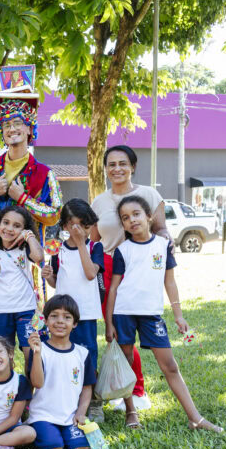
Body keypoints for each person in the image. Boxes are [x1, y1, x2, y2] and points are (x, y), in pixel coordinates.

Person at [105, 196, 223, 433]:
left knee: (169, 365)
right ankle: (131, 411)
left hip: (152, 315)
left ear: (149, 216)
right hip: (124, 314)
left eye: (136, 214)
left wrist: (178, 315)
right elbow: (114, 288)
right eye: (125, 218)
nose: (132, 220)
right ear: (123, 224)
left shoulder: (163, 246)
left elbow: (170, 282)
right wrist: (108, 322)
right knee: (127, 363)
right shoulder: (122, 250)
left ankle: (195, 418)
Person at [90, 145, 171, 413]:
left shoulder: (148, 194)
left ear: (133, 166)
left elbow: (161, 231)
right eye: (111, 164)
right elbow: (93, 241)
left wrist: (161, 258)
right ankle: (122, 388)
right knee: (115, 333)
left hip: (139, 266)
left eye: (123, 163)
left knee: (137, 328)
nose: (117, 169)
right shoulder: (99, 202)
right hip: (109, 269)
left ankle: (138, 392)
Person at [41, 199, 106, 422]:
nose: (79, 231)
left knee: (88, 357)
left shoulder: (94, 247)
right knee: (63, 356)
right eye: (74, 226)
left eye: (84, 226)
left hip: (85, 314)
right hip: (62, 314)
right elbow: (57, 281)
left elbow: (90, 273)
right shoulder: (57, 250)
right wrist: (49, 276)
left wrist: (80, 244)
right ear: (65, 226)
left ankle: (94, 402)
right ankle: (67, 398)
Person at [0, 99, 62, 235]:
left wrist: (23, 199)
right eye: (6, 125)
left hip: (27, 252)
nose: (12, 129)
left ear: (30, 129)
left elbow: (55, 214)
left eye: (17, 123)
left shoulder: (44, 174)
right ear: (2, 131)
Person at [26, 295, 95, 449]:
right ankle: (42, 432)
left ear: (75, 323)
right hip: (43, 416)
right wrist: (36, 353)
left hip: (70, 417)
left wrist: (81, 412)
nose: (60, 321)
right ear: (46, 321)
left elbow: (86, 387)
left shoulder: (82, 353)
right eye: (54, 316)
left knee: (81, 448)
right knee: (53, 447)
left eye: (67, 317)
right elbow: (37, 383)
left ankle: (63, 433)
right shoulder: (40, 351)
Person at [0, 205, 43, 372]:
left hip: (26, 310)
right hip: (2, 311)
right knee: (3, 355)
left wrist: (29, 236)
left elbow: (39, 257)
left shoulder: (24, 250)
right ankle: (6, 390)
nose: (9, 228)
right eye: (6, 223)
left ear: (24, 229)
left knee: (30, 353)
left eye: (17, 226)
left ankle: (30, 394)